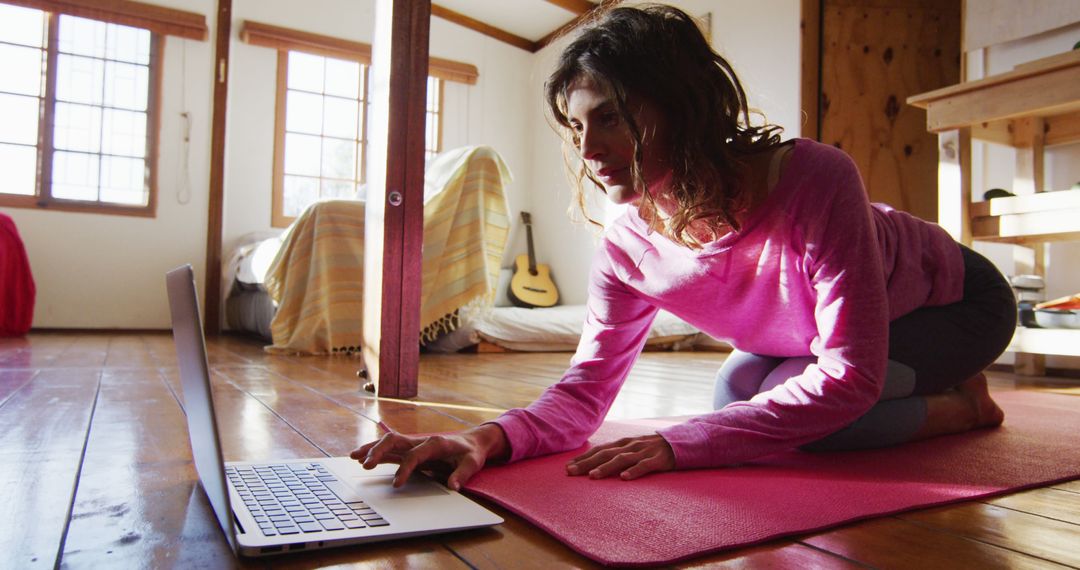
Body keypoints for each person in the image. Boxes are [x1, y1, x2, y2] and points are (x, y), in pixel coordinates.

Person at [350, 3, 1015, 490]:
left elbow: (849, 375)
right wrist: (484, 437)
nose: (587, 150)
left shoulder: (816, 177)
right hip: (802, 337)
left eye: (608, 117)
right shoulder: (627, 242)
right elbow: (587, 389)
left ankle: (965, 405)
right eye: (576, 127)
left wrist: (676, 445)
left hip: (955, 302)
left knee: (821, 420)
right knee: (738, 404)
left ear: (679, 104)